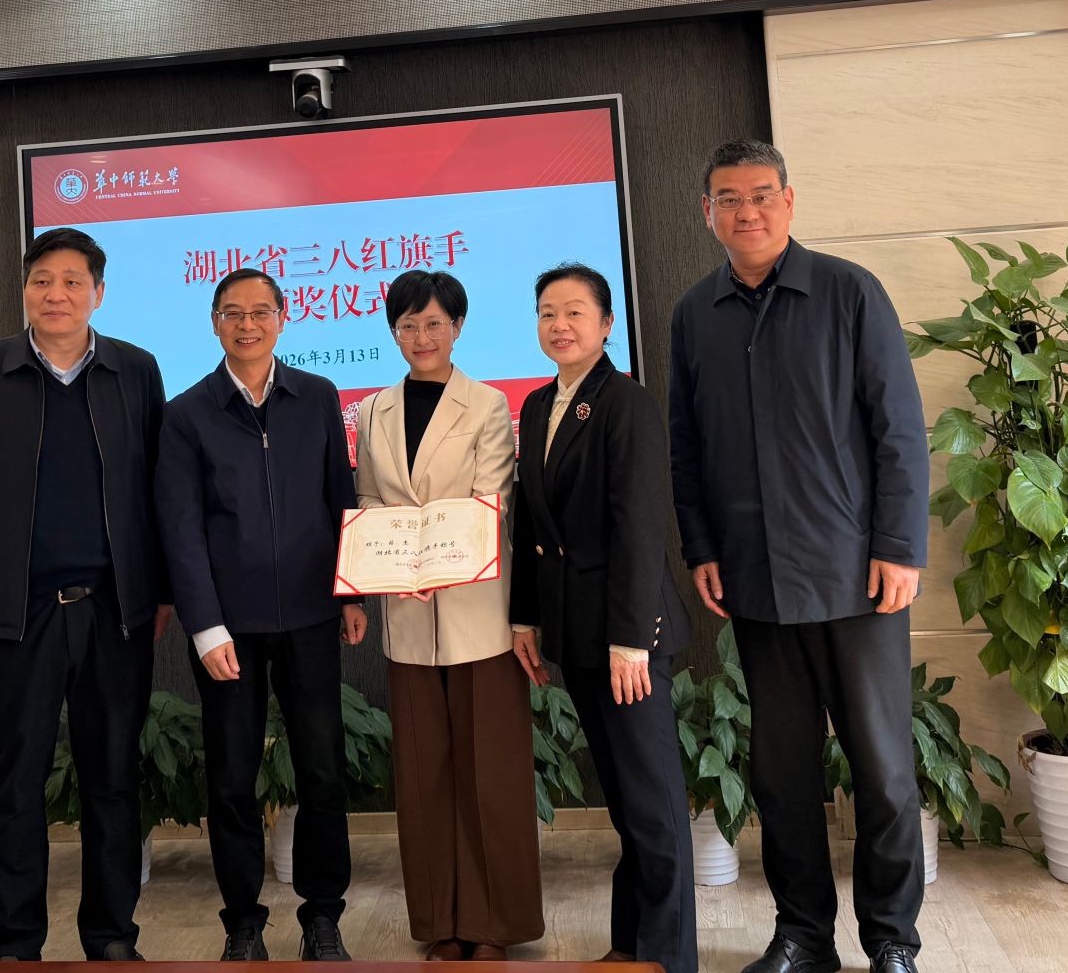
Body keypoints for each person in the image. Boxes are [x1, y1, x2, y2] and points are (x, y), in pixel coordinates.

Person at [668, 139, 930, 973]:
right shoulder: (694, 314)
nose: (746, 211)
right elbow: (686, 447)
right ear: (707, 212)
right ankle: (803, 936)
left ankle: (891, 941)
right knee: (782, 774)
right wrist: (702, 547)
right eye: (728, 199)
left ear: (789, 200)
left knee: (883, 771)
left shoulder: (850, 292)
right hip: (755, 580)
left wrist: (899, 546)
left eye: (760, 195)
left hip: (856, 577)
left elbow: (899, 430)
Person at [0, 227, 171, 962]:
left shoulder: (135, 370)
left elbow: (158, 493)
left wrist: (157, 592)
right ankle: (17, 941)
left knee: (112, 780)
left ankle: (112, 936)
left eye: (71, 281)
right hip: (11, 613)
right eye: (41, 280)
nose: (55, 294)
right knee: (14, 783)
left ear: (98, 292)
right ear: (25, 289)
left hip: (113, 609)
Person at [154, 268, 366, 963]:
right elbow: (180, 529)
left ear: (283, 316)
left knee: (322, 771)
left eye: (260, 312)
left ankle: (323, 916)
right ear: (214, 322)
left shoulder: (318, 396)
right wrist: (205, 626)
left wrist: (351, 592)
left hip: (311, 615)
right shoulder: (187, 413)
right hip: (229, 629)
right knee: (231, 779)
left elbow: (341, 498)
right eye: (233, 313)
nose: (247, 325)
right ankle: (242, 922)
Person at [509, 264, 696, 973]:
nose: (560, 325)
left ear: (607, 324)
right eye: (547, 313)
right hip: (575, 631)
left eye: (575, 312)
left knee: (654, 804)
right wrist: (524, 619)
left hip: (627, 640)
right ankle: (630, 945)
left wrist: (630, 641)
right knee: (624, 800)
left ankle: (670, 959)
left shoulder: (627, 403)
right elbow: (532, 523)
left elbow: (641, 530)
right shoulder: (537, 405)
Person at [352, 270, 543, 962]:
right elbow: (369, 500)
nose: (421, 336)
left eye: (434, 323)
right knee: (423, 775)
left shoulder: (487, 404)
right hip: (405, 616)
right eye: (407, 325)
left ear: (457, 327)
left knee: (490, 775)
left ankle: (494, 925)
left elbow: (491, 501)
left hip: (477, 612)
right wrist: (394, 566)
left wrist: (433, 562)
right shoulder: (372, 410)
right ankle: (439, 922)